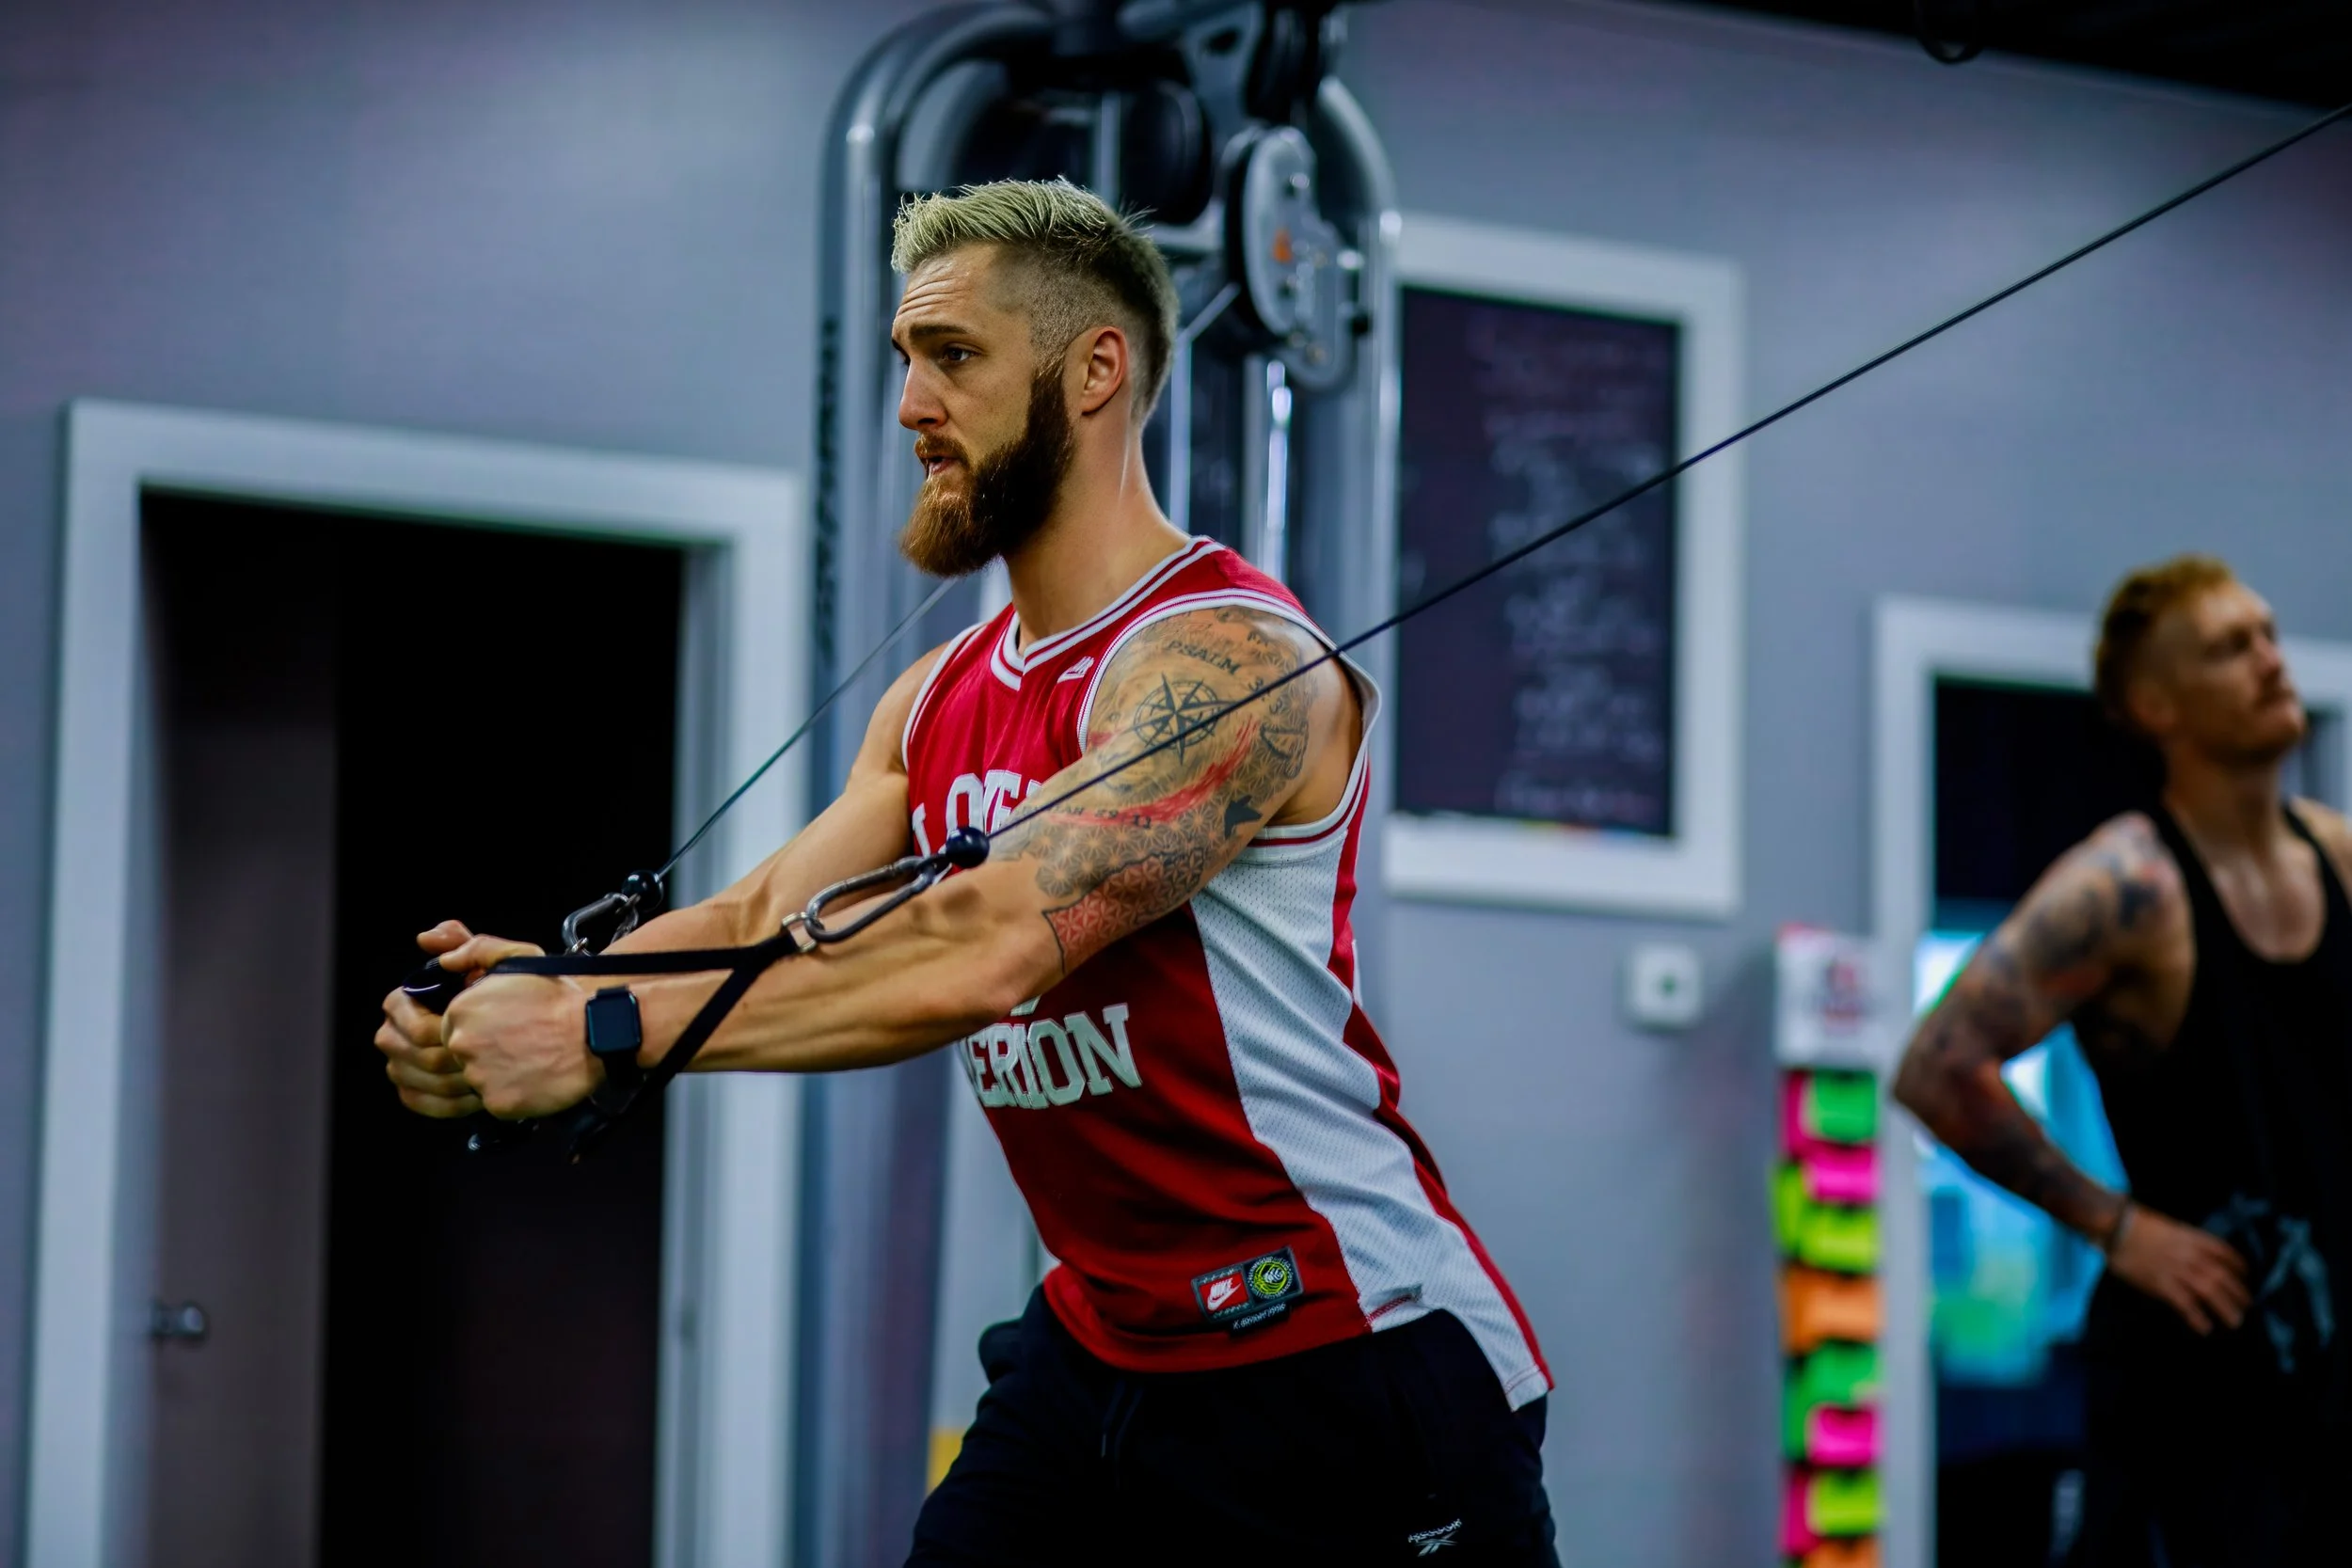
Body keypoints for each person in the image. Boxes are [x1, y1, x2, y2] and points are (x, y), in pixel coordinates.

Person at [375, 179, 1556, 1565]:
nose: (909, 407)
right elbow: (761, 914)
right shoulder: (937, 697)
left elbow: (984, 943)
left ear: (1094, 369)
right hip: (1101, 1342)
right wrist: (530, 990)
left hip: (1338, 1352)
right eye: (904, 362)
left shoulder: (1227, 666)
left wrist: (600, 1030)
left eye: (954, 357)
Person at [1894, 555, 2352, 1565]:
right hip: (2196, 1389)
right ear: (2155, 703)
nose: (2273, 663)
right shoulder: (2125, 886)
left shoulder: (2340, 854)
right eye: (2232, 647)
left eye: (2269, 635)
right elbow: (1935, 1065)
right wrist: (2116, 1224)